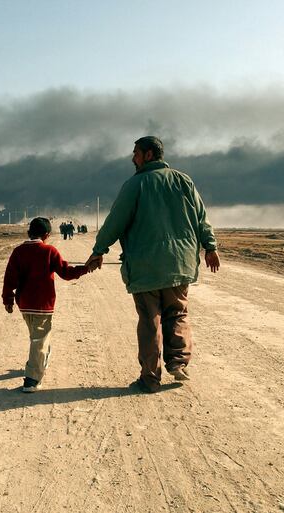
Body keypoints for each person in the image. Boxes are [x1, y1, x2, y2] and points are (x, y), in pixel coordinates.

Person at [85, 136, 220, 393]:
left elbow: (116, 221)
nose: (132, 157)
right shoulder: (183, 181)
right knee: (178, 314)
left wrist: (98, 251)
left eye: (135, 152)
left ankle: (150, 378)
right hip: (179, 264)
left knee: (150, 321)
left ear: (148, 155)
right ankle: (178, 363)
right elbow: (201, 217)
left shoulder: (135, 184)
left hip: (146, 267)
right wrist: (210, 247)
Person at [3, 217, 91, 392]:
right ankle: (31, 380)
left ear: (29, 232)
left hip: (25, 304)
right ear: (47, 234)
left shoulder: (18, 252)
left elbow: (9, 279)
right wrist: (86, 268)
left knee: (38, 338)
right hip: (43, 305)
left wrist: (8, 300)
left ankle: (40, 363)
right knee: (39, 340)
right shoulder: (49, 251)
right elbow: (66, 273)